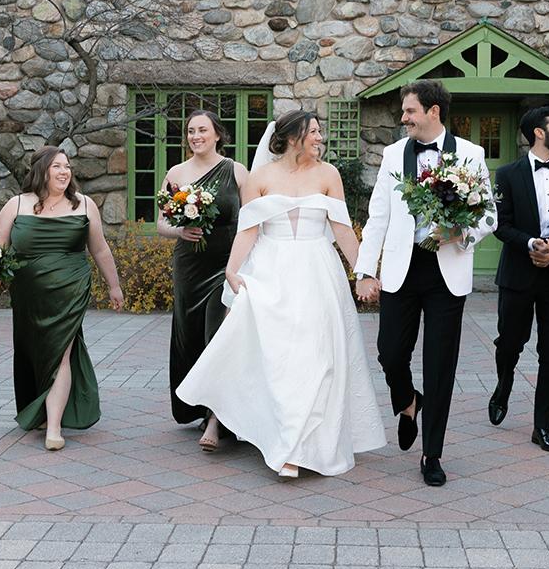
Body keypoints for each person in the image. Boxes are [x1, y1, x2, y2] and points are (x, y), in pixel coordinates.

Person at [176, 111, 385, 478]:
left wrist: (363, 273)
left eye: (320, 132)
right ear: (292, 137)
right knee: (281, 361)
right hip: (271, 273)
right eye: (313, 132)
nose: (320, 138)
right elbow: (248, 231)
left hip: (317, 273)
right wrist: (232, 270)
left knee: (317, 359)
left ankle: (301, 447)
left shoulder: (328, 175)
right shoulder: (260, 178)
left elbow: (342, 230)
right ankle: (284, 444)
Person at [355, 79, 496, 487]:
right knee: (389, 353)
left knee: (439, 366)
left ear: (433, 111)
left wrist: (460, 233)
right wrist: (365, 271)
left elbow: (489, 215)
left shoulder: (471, 154)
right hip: (402, 270)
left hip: (446, 275)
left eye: (410, 111)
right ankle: (408, 401)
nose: (404, 118)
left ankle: (432, 453)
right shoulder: (394, 154)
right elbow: (378, 215)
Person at [0, 146, 124, 450]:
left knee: (61, 351)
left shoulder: (84, 204)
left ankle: (54, 427)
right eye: (57, 167)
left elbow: (100, 248)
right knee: (35, 351)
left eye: (67, 167)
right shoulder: (16, 205)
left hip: (70, 288)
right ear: (42, 171)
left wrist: (114, 286)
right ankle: (40, 408)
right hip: (28, 293)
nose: (65, 172)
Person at [488, 106, 549, 453]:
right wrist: (531, 243)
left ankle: (543, 425)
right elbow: (500, 224)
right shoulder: (507, 174)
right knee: (509, 343)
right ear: (539, 133)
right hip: (518, 274)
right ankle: (504, 384)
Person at [157, 110, 247, 451]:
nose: (196, 136)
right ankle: (197, 405)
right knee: (190, 335)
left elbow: (252, 220)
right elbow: (162, 223)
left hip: (227, 265)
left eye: (202, 130)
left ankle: (215, 418)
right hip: (189, 266)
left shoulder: (237, 171)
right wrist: (180, 229)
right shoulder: (176, 173)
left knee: (218, 335)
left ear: (217, 134)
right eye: (191, 131)